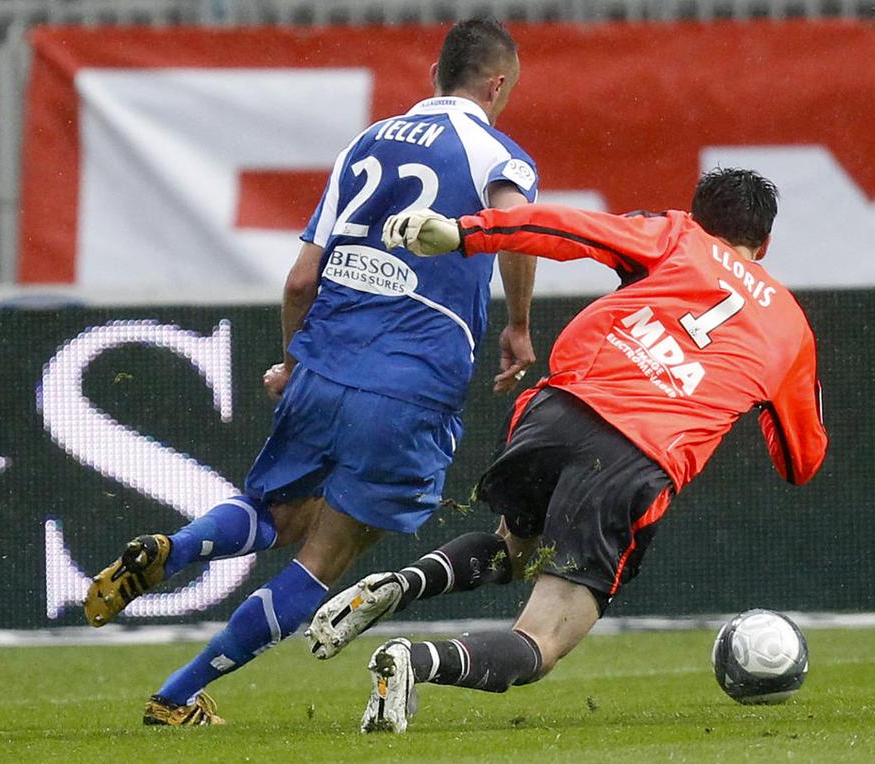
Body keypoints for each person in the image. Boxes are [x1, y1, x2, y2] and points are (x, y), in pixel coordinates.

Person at [82, 17, 539, 726]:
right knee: (325, 555)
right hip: (411, 379)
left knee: (280, 511)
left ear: (433, 77)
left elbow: (300, 279)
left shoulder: (365, 143)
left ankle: (176, 547)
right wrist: (518, 323)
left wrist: (295, 363)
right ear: (498, 83)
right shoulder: (498, 155)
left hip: (325, 360)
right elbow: (517, 227)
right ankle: (175, 696)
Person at [306, 168, 829, 734]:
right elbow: (800, 462)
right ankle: (417, 660)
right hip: (635, 455)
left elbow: (568, 227)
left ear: (699, 217)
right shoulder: (790, 329)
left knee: (514, 550)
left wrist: (464, 233)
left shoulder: (676, 235)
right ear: (765, 243)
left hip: (558, 413)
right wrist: (756, 396)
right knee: (539, 641)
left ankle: (403, 584)